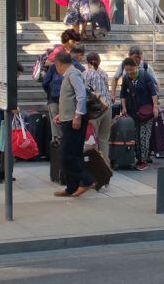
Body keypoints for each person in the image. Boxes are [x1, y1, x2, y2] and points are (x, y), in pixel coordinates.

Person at [52, 53, 93, 198]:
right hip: (68, 119)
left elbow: (81, 95)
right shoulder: (70, 75)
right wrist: (61, 115)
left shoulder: (73, 74)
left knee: (67, 154)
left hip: (74, 121)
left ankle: (86, 180)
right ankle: (71, 186)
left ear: (59, 64)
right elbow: (71, 99)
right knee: (72, 153)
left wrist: (77, 115)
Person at [43, 31, 85, 141]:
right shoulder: (60, 53)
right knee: (63, 131)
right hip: (63, 100)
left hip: (58, 98)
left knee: (58, 131)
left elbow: (46, 82)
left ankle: (58, 151)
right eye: (74, 41)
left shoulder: (70, 62)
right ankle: (59, 152)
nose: (75, 43)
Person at [120, 57, 159, 171]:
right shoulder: (126, 78)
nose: (129, 72)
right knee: (136, 136)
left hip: (146, 111)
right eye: (127, 70)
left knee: (144, 136)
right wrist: (124, 107)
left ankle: (143, 160)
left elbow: (153, 92)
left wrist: (155, 107)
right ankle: (138, 158)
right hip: (133, 111)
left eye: (131, 70)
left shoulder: (144, 75)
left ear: (136, 66)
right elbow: (122, 94)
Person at [85, 52, 112, 163]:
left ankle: (95, 168)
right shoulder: (104, 74)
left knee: (92, 139)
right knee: (104, 139)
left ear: (87, 62)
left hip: (94, 110)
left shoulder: (86, 74)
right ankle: (106, 165)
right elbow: (107, 89)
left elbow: (85, 93)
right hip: (107, 107)